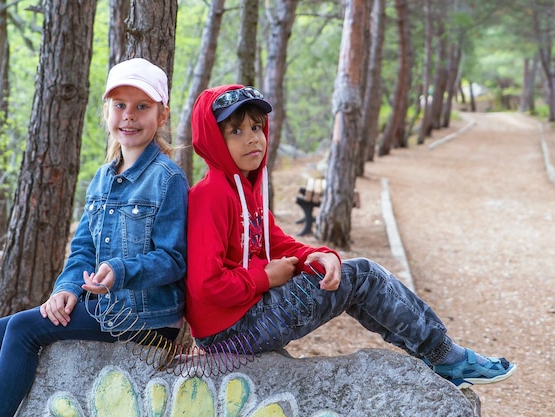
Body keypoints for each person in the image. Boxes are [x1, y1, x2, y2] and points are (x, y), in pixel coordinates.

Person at [184, 84, 516, 389]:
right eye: (236, 131)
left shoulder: (246, 189)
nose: (252, 139)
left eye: (256, 127)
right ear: (213, 139)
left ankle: (436, 355)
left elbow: (277, 242)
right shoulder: (212, 195)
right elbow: (205, 285)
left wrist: (319, 255)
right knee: (362, 275)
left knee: (348, 275)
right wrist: (265, 277)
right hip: (231, 333)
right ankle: (446, 356)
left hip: (245, 317)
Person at [0, 58, 188, 417]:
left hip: (146, 318)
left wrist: (119, 271)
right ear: (107, 112)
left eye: (142, 107)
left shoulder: (168, 179)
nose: (129, 116)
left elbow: (173, 259)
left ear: (161, 116)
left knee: (25, 329)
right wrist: (66, 289)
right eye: (119, 106)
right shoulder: (102, 178)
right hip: (103, 307)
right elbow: (83, 248)